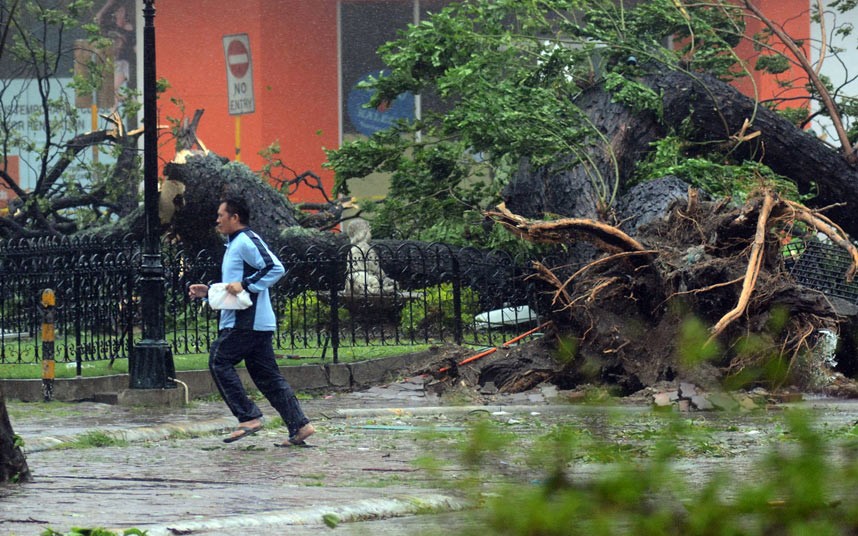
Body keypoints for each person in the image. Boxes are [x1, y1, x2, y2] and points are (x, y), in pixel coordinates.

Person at [188, 194, 315, 447]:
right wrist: (209, 292)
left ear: (235, 217)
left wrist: (245, 284)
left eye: (221, 216)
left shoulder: (246, 240)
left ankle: (248, 417)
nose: (217, 220)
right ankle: (300, 425)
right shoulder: (234, 244)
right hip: (254, 323)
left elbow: (275, 268)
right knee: (267, 377)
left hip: (246, 322)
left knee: (219, 359)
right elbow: (235, 287)